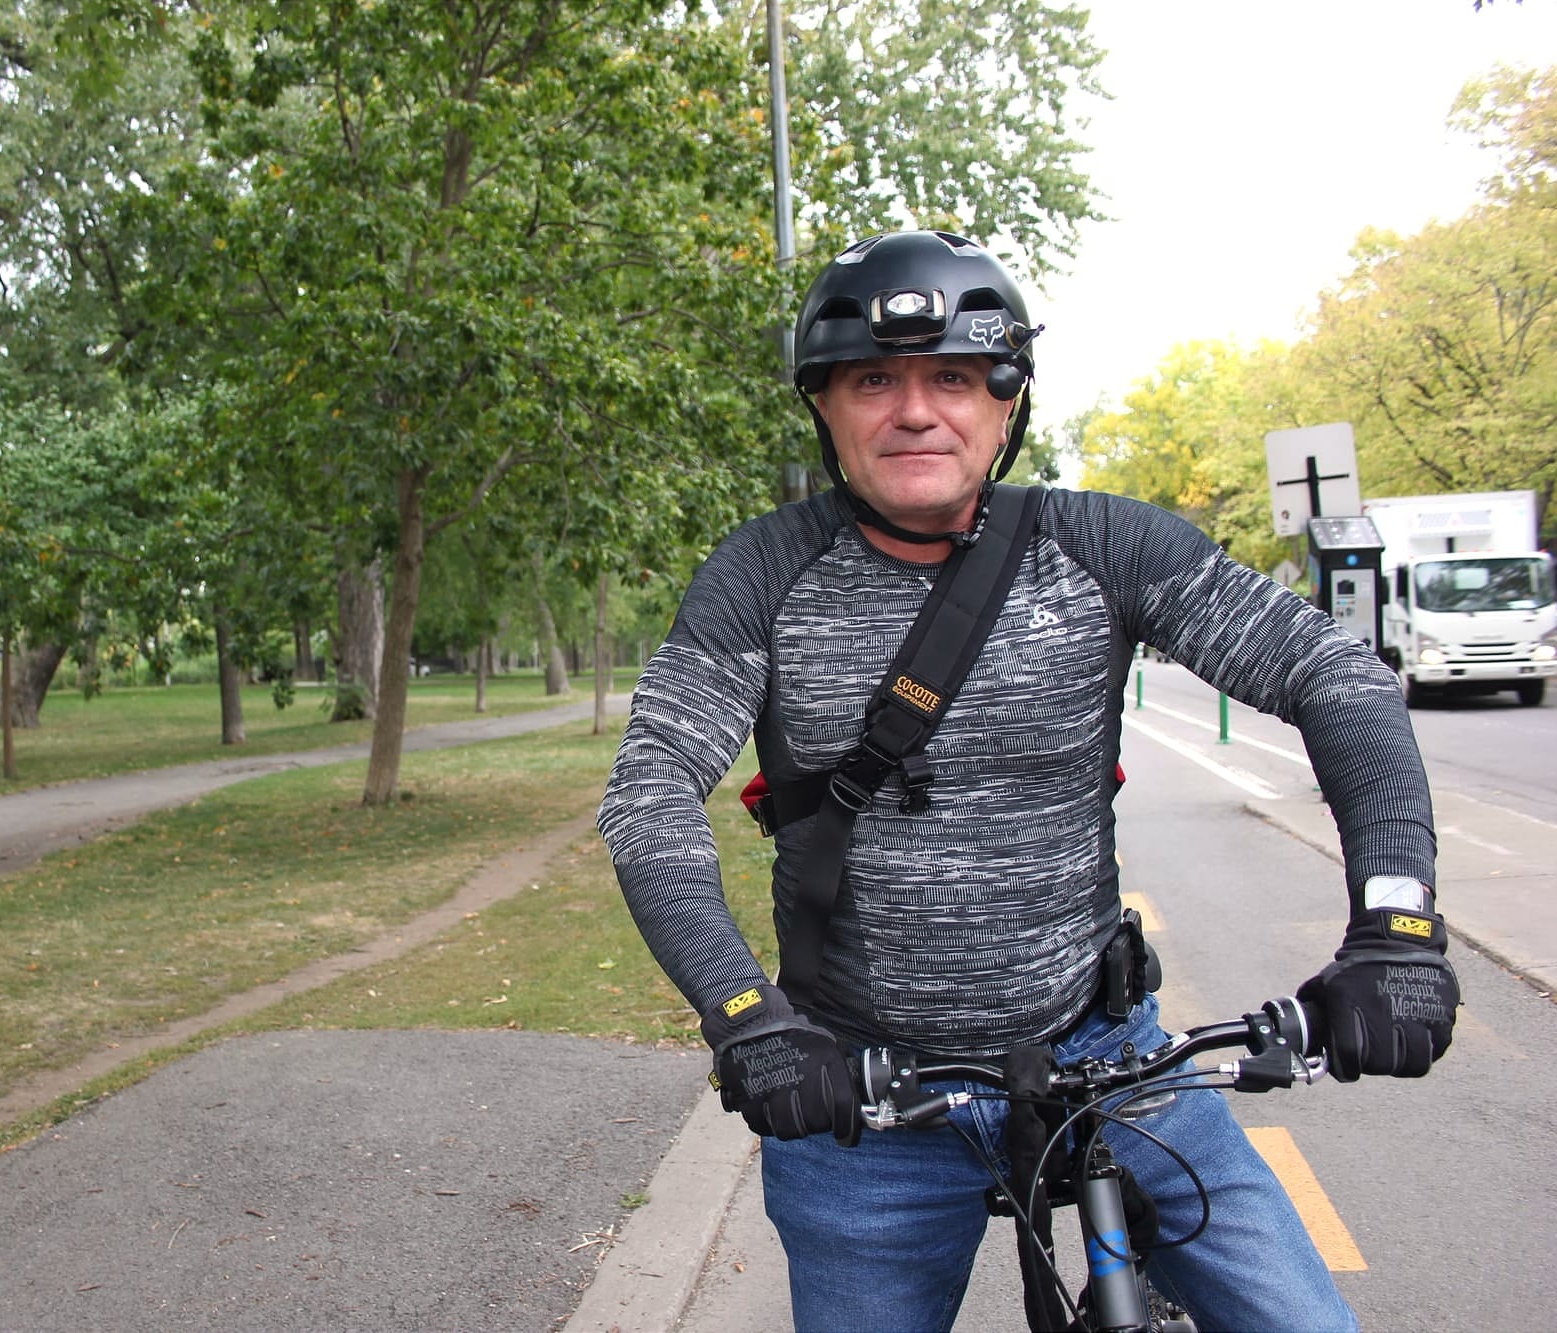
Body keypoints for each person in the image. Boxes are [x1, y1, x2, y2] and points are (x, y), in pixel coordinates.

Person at [596, 230, 1459, 1331]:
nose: (914, 410)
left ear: (1006, 407)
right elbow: (650, 786)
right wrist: (743, 1015)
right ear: (826, 409)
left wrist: (1395, 927)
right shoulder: (762, 573)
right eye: (873, 381)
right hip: (865, 1100)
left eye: (952, 377)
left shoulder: (1102, 544)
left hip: (1109, 1058)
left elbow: (1337, 678)